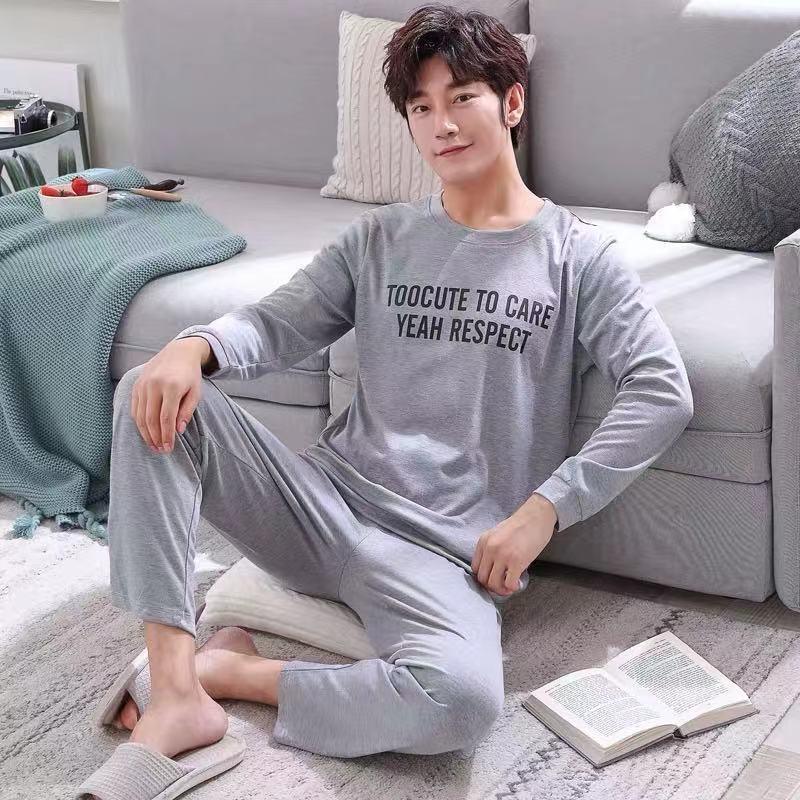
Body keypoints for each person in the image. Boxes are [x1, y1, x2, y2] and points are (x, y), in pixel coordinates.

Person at [105, 2, 693, 763]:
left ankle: (230, 672)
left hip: (442, 554)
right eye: (421, 107)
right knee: (148, 389)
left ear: (512, 104)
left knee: (461, 704)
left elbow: (660, 389)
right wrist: (194, 346)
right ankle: (177, 689)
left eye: (462, 97)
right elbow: (276, 324)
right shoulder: (381, 238)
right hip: (319, 509)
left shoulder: (580, 257)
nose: (441, 124)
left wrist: (546, 509)